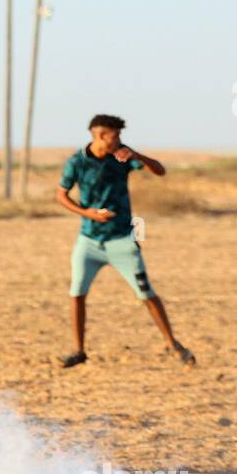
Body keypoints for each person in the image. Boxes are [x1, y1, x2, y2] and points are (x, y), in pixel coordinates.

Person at [54, 114, 194, 368]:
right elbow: (61, 195)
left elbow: (160, 171)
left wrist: (137, 156)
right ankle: (78, 351)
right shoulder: (76, 162)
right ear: (99, 135)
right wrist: (88, 213)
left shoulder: (123, 157)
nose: (118, 140)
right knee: (76, 293)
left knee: (146, 292)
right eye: (114, 135)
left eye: (120, 135)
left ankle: (172, 344)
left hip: (122, 240)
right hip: (89, 240)